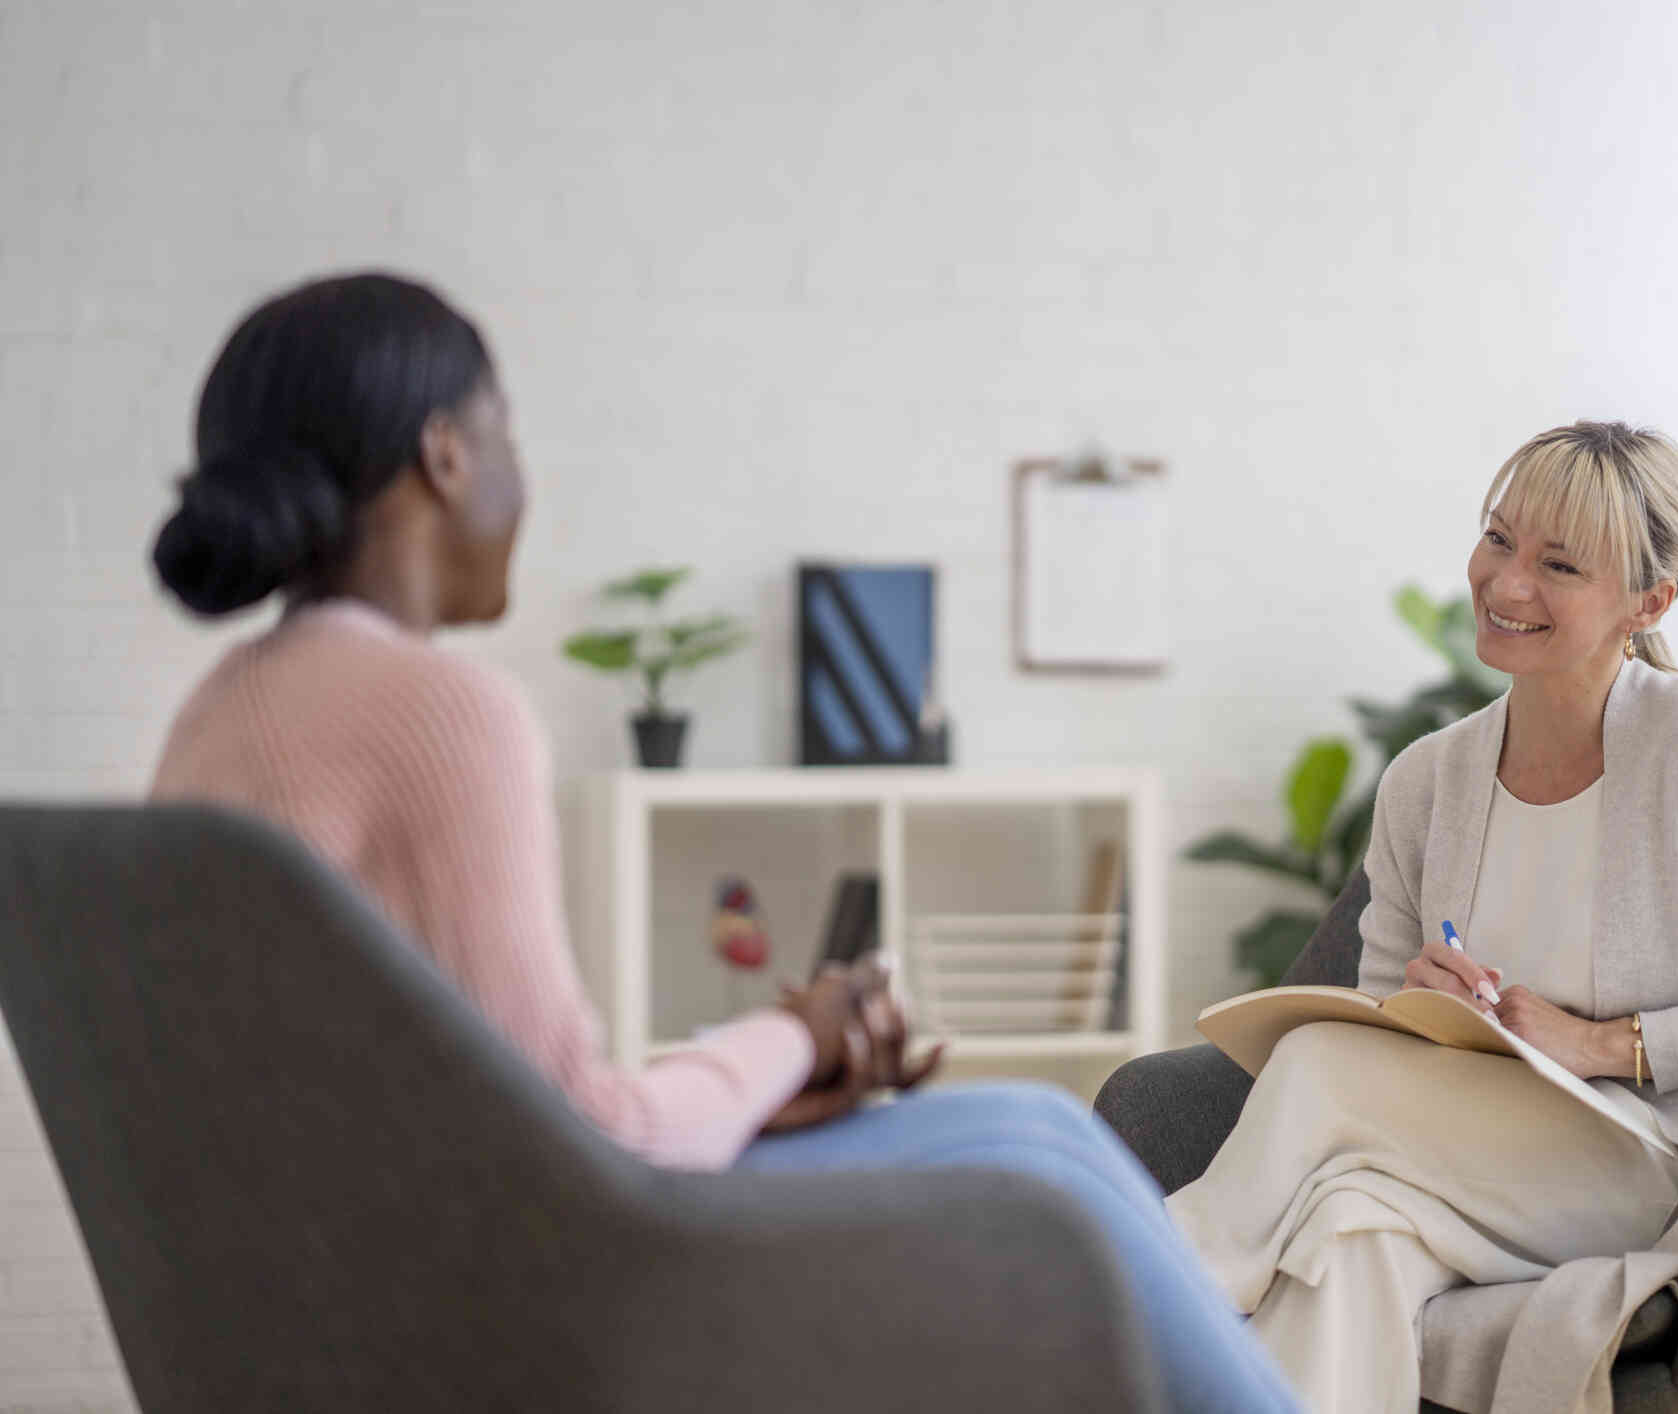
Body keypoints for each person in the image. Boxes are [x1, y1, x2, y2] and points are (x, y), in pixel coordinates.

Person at [146, 271, 1301, 1414]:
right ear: (444, 454)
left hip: (359, 1261)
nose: (519, 478)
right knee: (1046, 1154)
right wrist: (795, 1034)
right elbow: (583, 1137)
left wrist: (778, 1080)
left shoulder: (222, 713)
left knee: (1040, 1128)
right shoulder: (438, 713)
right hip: (518, 1280)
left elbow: (479, 1102)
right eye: (505, 432)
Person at [1165, 422, 1678, 1414]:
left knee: (1317, 1068)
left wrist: (1607, 1043)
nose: (1507, 584)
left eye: (1557, 564)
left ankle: (1146, 1305)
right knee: (1352, 1225)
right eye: (1498, 540)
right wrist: (1416, 1001)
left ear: (1650, 601)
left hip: (1645, 1168)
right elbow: (1380, 1014)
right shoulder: (1426, 779)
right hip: (1462, 1155)